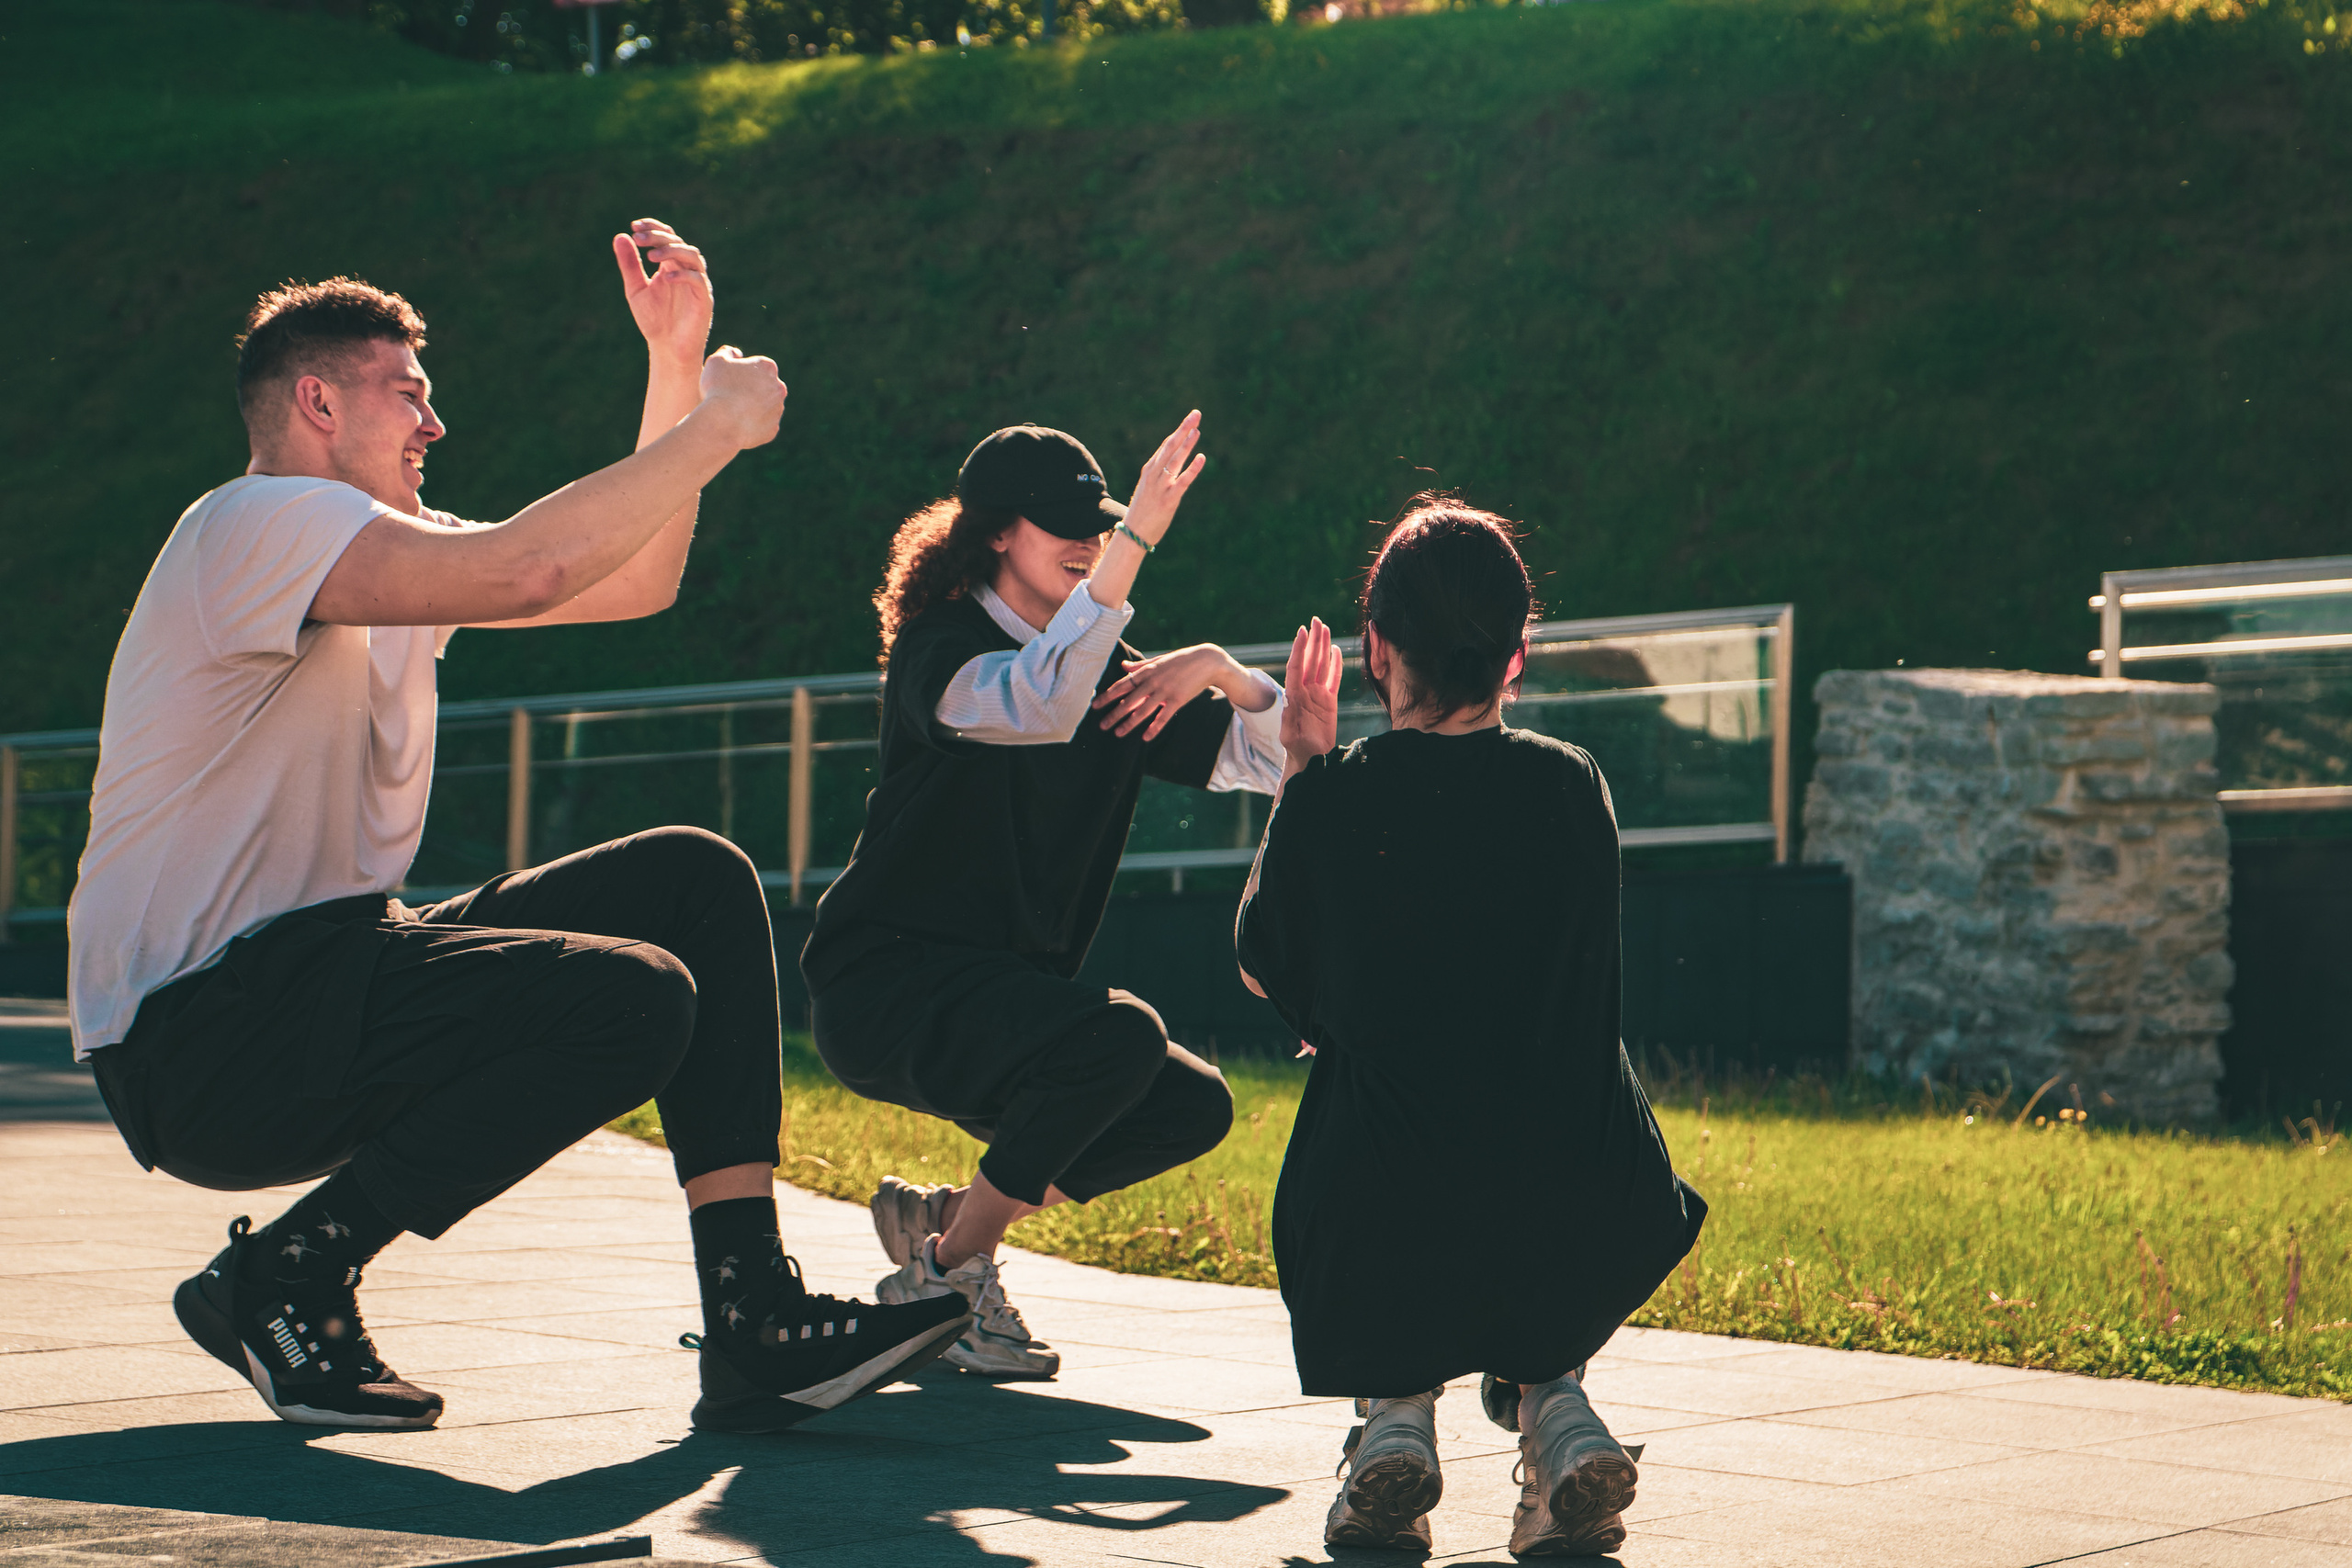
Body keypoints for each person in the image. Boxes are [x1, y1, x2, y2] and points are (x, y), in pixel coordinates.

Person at [67, 220, 970, 1436]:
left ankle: (753, 1317)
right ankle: (289, 1267)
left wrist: (674, 363)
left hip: (317, 979)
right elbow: (523, 572)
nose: (434, 425)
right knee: (635, 996)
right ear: (319, 401)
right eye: (408, 396)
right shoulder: (256, 522)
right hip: (211, 1035)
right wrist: (717, 424)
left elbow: (627, 577)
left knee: (690, 883)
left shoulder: (366, 556)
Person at [1236, 499, 1707, 1556]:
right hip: (1586, 1190)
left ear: (1374, 651)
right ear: (1516, 657)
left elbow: (1265, 955)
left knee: (1373, 1128)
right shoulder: (1572, 784)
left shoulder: (1345, 795)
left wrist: (1302, 776)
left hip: (1388, 1198)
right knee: (1520, 1135)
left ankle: (1393, 1422)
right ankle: (1557, 1416)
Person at [800, 418, 1283, 1377]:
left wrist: (1224, 673)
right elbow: (1035, 701)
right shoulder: (939, 653)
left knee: (1188, 1107)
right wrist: (1138, 549)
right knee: (1121, 1034)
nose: (1089, 541)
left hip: (999, 1005)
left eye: (1100, 525)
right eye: (1060, 524)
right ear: (992, 534)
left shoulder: (1104, 669)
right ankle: (944, 1277)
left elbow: (1271, 764)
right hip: (884, 990)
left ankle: (949, 1228)